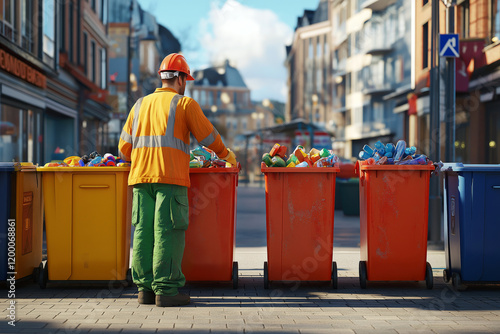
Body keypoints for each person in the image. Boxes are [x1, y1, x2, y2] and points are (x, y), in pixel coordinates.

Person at [118, 53, 236, 307]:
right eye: (186, 79)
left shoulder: (139, 105)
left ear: (162, 78)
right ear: (181, 79)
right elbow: (207, 137)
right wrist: (227, 155)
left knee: (143, 232)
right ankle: (166, 291)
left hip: (139, 179)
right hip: (170, 178)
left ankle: (144, 290)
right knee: (167, 232)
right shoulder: (184, 104)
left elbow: (123, 149)